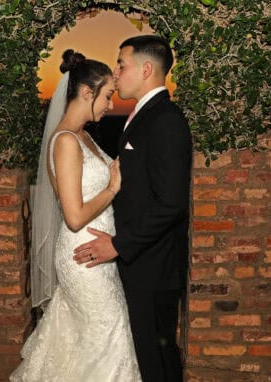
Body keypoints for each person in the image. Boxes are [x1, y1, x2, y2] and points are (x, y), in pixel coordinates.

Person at [10, 50, 141, 381]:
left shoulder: (83, 136)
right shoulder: (66, 141)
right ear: (87, 92)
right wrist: (112, 188)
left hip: (99, 255)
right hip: (84, 258)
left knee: (91, 342)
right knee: (110, 332)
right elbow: (73, 215)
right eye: (108, 96)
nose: (111, 104)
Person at [73, 35, 192, 382]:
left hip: (154, 267)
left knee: (157, 357)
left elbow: (171, 203)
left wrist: (118, 245)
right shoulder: (143, 115)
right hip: (141, 262)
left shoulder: (165, 120)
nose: (116, 72)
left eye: (121, 64)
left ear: (145, 69)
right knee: (148, 354)